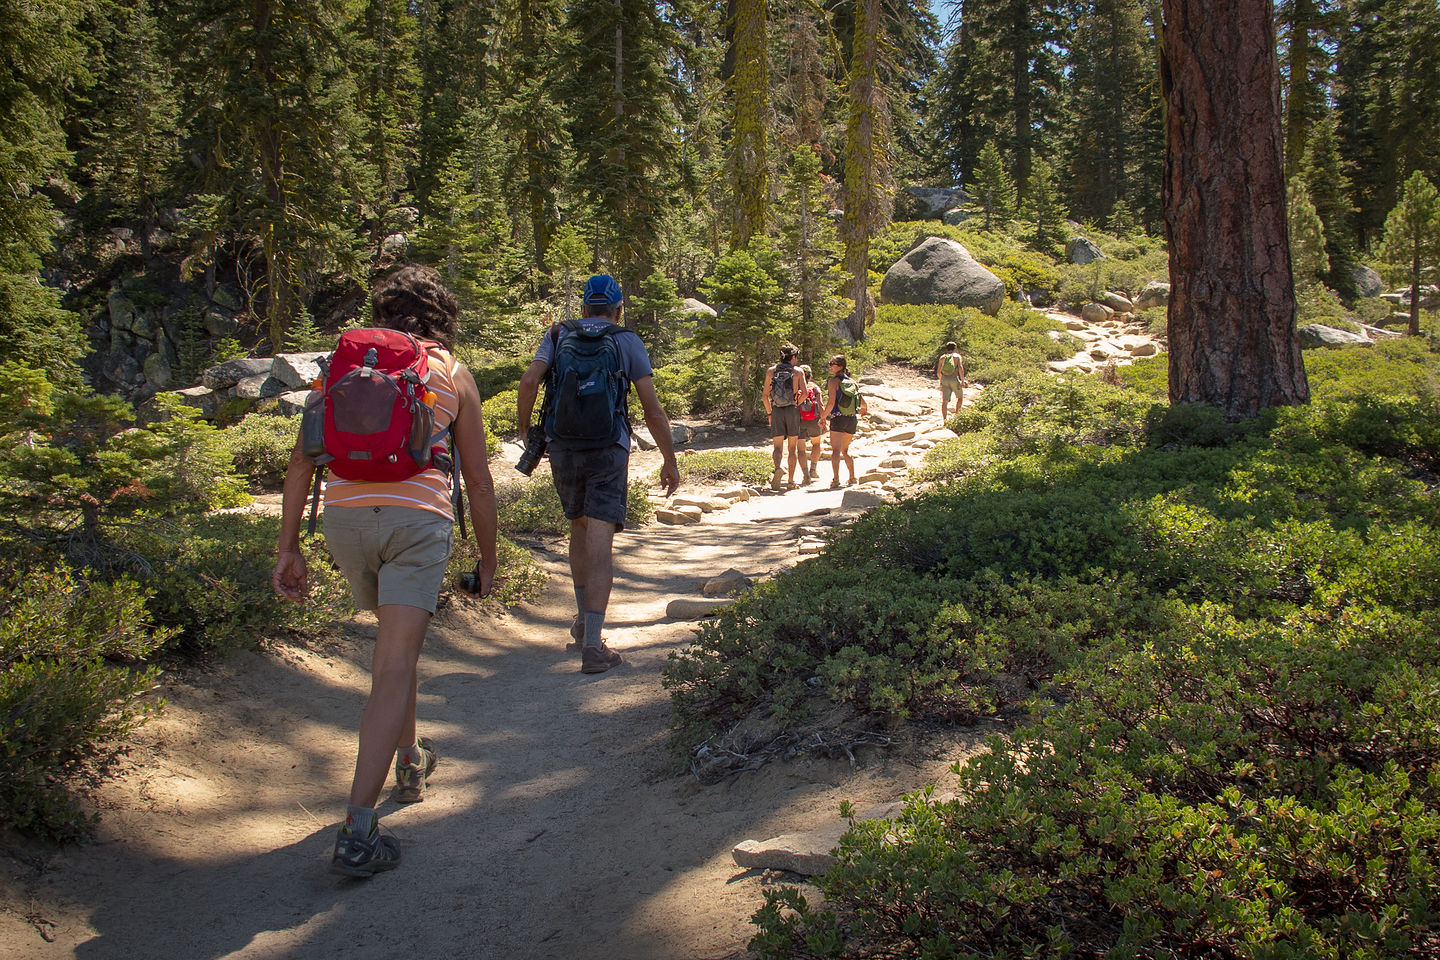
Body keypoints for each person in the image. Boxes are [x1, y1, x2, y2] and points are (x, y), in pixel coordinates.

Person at [272, 264, 499, 878]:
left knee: (397, 652)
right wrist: (487, 558)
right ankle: (358, 830)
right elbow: (478, 482)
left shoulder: (344, 366)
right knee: (394, 664)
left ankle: (410, 758)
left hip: (346, 522)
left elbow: (302, 463)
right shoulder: (451, 372)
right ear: (444, 315)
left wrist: (288, 547)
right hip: (417, 524)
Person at [516, 274, 680, 674]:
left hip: (563, 447)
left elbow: (530, 380)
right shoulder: (626, 341)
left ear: (585, 307)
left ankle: (581, 623)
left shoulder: (558, 333)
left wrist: (527, 433)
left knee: (579, 526)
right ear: (618, 310)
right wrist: (669, 460)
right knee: (601, 539)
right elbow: (652, 409)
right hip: (609, 448)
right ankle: (593, 644)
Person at [761, 343, 808, 490]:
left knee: (777, 447)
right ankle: (790, 481)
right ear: (793, 357)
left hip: (776, 410)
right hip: (792, 410)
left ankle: (777, 468)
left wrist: (770, 413)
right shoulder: (798, 371)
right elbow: (805, 393)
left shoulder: (771, 371)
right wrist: (796, 402)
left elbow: (765, 396)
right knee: (792, 448)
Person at [821, 354, 868, 488]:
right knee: (845, 450)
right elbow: (862, 402)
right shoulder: (853, 382)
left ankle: (836, 479)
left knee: (836, 450)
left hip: (838, 418)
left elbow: (831, 403)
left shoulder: (833, 382)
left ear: (840, 367)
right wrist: (864, 409)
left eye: (832, 364)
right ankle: (852, 477)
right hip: (851, 419)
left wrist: (823, 417)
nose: (829, 366)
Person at [796, 363, 824, 485]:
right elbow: (820, 404)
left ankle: (805, 474)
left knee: (801, 449)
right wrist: (823, 419)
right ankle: (813, 469)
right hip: (814, 419)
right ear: (810, 375)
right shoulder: (815, 387)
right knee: (816, 444)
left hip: (799, 420)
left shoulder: (795, 387)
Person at [936, 341, 966, 421]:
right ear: (955, 348)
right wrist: (962, 381)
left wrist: (941, 379)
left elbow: (938, 372)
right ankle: (957, 417)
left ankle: (945, 420)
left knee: (945, 401)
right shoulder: (957, 357)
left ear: (947, 348)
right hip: (954, 378)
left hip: (944, 379)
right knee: (959, 398)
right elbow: (960, 369)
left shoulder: (942, 357)